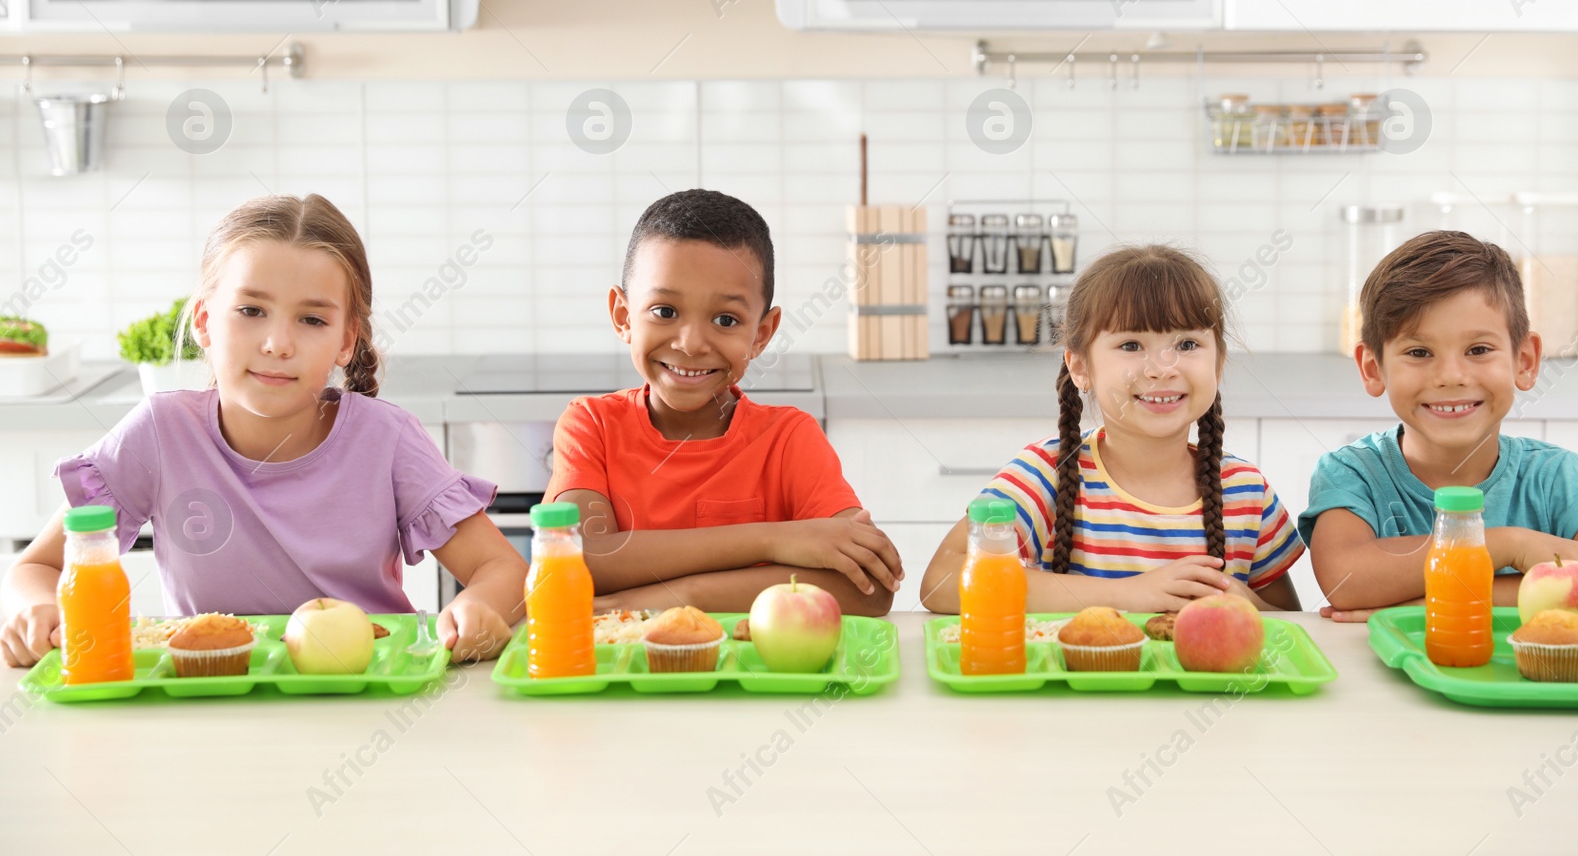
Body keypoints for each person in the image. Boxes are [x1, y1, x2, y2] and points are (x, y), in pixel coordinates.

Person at [0, 194, 526, 667]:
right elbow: (38, 567)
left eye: (311, 320)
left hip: (364, 694)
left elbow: (500, 567)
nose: (277, 343)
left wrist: (478, 604)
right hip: (210, 701)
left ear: (347, 340)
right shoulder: (158, 433)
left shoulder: (386, 440)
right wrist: (40, 609)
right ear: (205, 322)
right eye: (251, 310)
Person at [546, 189, 903, 615]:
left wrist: (681, 599)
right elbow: (577, 558)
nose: (691, 343)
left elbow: (870, 587)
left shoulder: (789, 439)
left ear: (761, 335)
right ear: (623, 316)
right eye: (664, 311)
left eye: (725, 320)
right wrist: (774, 539)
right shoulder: (592, 425)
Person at [922, 244, 1303, 614]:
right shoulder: (1045, 473)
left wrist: (1242, 599)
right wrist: (1127, 594)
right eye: (1131, 344)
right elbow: (941, 582)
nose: (1161, 367)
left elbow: (1290, 628)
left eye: (1187, 343)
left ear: (1218, 364)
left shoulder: (1246, 491)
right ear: (1080, 368)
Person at [1301, 230, 1578, 620]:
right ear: (1373, 369)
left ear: (1524, 361)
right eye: (1419, 352)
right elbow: (1346, 582)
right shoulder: (1351, 473)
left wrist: (1423, 604)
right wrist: (1508, 545)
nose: (1451, 375)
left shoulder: (1557, 477)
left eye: (1478, 350)